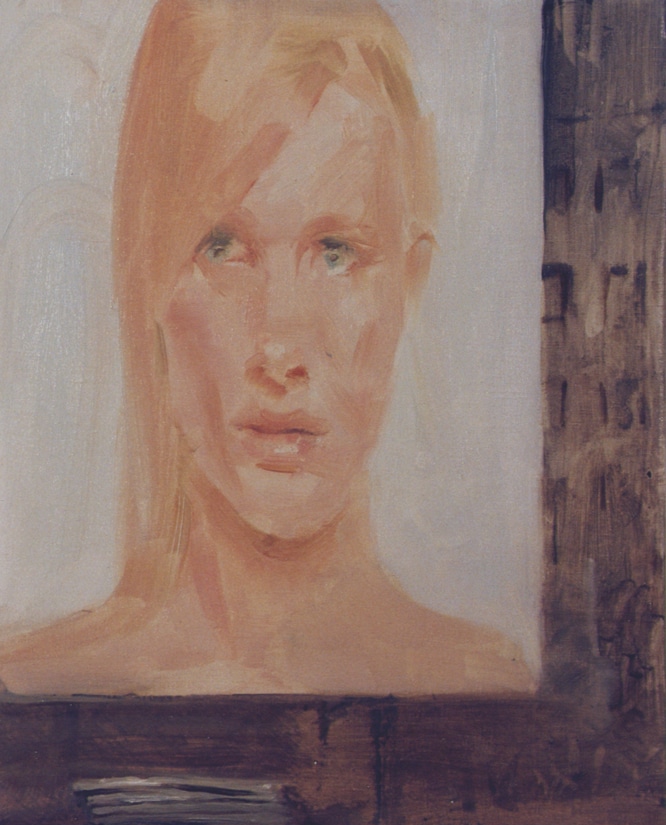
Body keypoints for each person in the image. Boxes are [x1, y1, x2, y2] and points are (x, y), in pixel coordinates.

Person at [0, 0, 533, 695]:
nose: (280, 350)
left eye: (337, 252)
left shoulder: (492, 695)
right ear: (144, 278)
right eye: (222, 249)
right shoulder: (31, 695)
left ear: (410, 284)